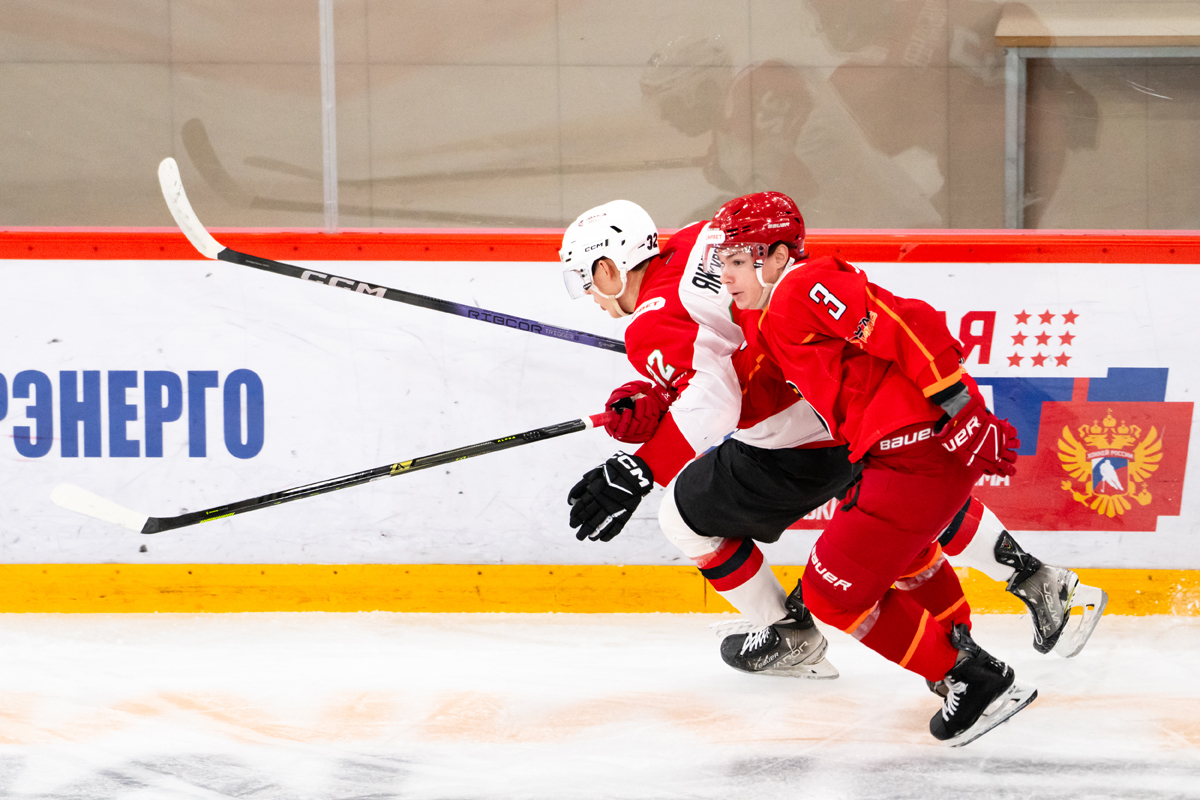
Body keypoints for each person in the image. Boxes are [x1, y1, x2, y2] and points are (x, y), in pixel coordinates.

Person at [558, 198, 1106, 690]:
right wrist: (655, 392)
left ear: (608, 269)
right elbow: (722, 353)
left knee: (682, 518)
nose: (588, 295)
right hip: (845, 422)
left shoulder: (650, 324)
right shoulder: (704, 236)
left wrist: (641, 467)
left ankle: (791, 635)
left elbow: (717, 401)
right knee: (904, 513)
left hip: (796, 443)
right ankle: (1030, 579)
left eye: (585, 278)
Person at [705, 190, 1041, 745]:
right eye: (724, 261)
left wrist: (958, 402)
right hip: (903, 455)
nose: (728, 274)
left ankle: (972, 679)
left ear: (780, 255)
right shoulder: (774, 313)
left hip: (915, 453)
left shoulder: (800, 287)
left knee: (829, 594)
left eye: (739, 260)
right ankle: (959, 654)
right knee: (904, 559)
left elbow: (905, 321)